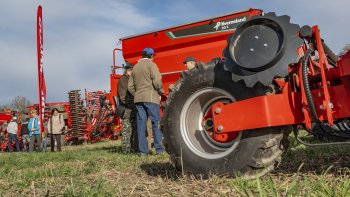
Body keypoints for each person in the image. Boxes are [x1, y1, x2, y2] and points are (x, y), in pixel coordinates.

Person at [128, 47, 165, 155]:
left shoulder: (135, 67)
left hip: (138, 99)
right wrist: (160, 91)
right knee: (156, 123)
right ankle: (159, 150)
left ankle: (142, 152)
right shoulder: (151, 65)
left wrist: (138, 94)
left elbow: (130, 86)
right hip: (151, 98)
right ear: (151, 56)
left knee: (141, 125)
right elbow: (157, 80)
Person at [117, 63, 137, 153]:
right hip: (127, 109)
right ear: (128, 71)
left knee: (132, 131)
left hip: (131, 108)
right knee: (127, 131)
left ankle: (132, 149)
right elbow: (123, 97)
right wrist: (132, 105)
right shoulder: (123, 80)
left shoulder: (129, 79)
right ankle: (126, 151)